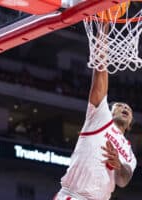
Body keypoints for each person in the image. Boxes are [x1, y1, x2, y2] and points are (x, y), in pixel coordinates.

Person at [54, 47, 137, 199]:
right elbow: (99, 76)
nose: (125, 107)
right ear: (110, 111)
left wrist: (119, 164)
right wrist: (102, 36)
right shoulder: (101, 118)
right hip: (74, 195)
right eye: (119, 105)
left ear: (130, 124)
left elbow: (123, 181)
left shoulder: (130, 154)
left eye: (129, 109)